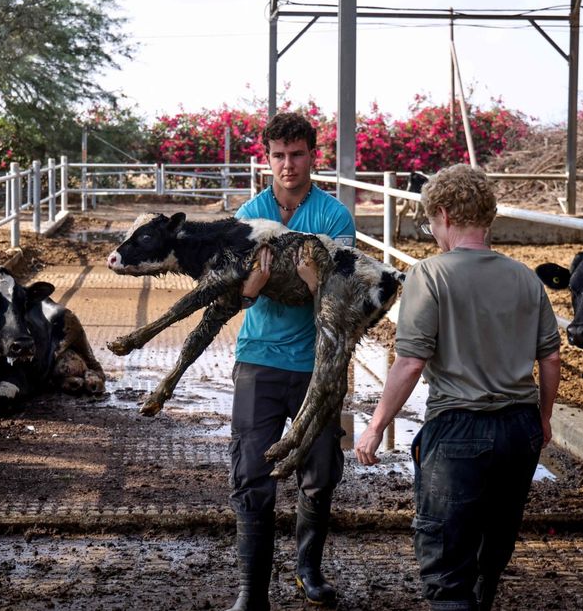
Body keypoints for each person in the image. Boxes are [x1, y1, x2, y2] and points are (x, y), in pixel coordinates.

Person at [354, 164, 562, 611]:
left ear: (444, 214)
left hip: (459, 431)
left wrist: (375, 426)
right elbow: (550, 357)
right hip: (519, 430)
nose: (432, 232)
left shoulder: (429, 275)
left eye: (431, 222)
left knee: (447, 567)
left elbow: (410, 361)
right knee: (494, 545)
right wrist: (542, 419)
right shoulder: (525, 277)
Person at [226, 112, 355, 611]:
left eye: (297, 154)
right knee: (251, 472)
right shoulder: (248, 215)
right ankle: (250, 591)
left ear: (312, 156)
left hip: (317, 366)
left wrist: (314, 283)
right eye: (278, 155)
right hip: (258, 360)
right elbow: (229, 297)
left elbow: (345, 295)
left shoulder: (333, 218)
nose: (287, 165)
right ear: (267, 157)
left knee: (320, 470)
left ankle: (308, 571)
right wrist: (250, 288)